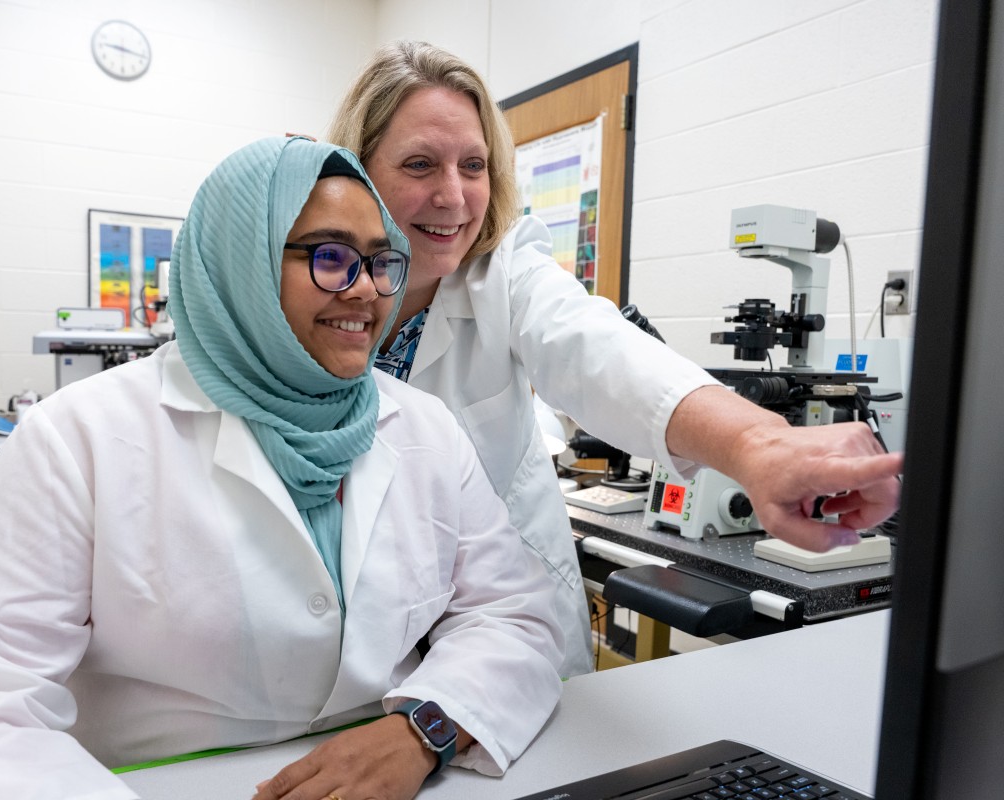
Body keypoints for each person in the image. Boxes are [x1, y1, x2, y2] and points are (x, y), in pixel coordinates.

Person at [0, 137, 564, 800]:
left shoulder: (425, 430)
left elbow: (515, 615)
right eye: (329, 256)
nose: (365, 291)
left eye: (381, 261)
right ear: (241, 262)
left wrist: (422, 729)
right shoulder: (80, 440)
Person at [328, 41, 904, 677]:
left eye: (473, 165)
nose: (454, 196)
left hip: (509, 632)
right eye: (418, 165)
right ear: (357, 171)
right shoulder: (313, 295)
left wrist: (761, 447)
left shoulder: (507, 274)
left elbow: (596, 349)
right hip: (368, 630)